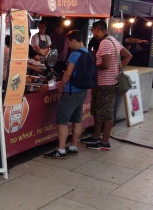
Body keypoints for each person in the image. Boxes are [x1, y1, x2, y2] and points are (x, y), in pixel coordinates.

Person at [81, 20, 132, 150]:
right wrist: (119, 69)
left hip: (106, 84)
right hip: (105, 82)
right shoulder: (113, 40)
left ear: (98, 29)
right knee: (99, 111)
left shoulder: (104, 43)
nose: (93, 34)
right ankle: (96, 136)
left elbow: (106, 64)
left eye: (93, 31)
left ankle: (104, 141)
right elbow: (128, 55)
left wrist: (93, 66)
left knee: (106, 113)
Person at [44, 30, 89, 159]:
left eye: (69, 42)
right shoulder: (87, 52)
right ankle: (73, 146)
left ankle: (61, 150)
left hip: (71, 91)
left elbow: (68, 73)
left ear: (75, 40)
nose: (68, 45)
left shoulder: (75, 54)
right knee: (77, 119)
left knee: (62, 121)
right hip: (82, 90)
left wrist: (61, 86)